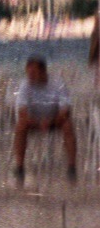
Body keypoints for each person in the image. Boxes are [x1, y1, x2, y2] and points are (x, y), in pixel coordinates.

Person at [12, 55, 77, 183]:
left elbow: (65, 111)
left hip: (55, 120)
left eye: (34, 72)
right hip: (33, 121)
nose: (30, 76)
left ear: (43, 71)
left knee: (68, 125)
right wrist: (38, 122)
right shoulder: (25, 85)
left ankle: (71, 167)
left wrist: (51, 121)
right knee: (20, 126)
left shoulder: (58, 83)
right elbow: (22, 113)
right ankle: (19, 167)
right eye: (28, 72)